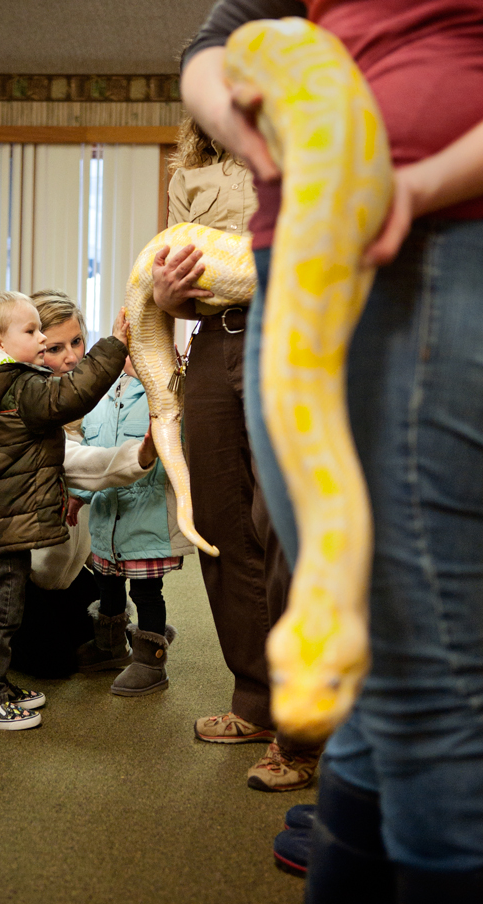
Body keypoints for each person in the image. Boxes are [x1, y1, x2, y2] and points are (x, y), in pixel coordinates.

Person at [181, 1, 483, 901]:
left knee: (425, 662)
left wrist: (421, 182)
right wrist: (245, 125)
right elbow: (213, 44)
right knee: (376, 661)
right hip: (296, 253)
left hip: (435, 233)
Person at [152, 114, 321, 791]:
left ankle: (308, 732)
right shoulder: (189, 174)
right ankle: (256, 702)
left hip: (296, 338)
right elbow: (180, 280)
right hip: (216, 344)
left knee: (285, 528)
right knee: (221, 523)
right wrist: (167, 297)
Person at [0, 289, 156, 679]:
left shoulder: (81, 398)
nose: (71, 357)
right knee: (52, 662)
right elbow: (81, 464)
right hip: (7, 563)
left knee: (94, 632)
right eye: (53, 346)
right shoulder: (23, 402)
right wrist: (139, 455)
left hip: (59, 568)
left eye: (77, 342)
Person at [73, 354, 194, 695]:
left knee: (146, 592)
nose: (134, 356)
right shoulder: (100, 396)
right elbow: (88, 454)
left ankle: (149, 661)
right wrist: (77, 495)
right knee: (106, 585)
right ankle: (109, 646)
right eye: (126, 348)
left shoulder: (167, 395)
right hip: (105, 518)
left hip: (147, 517)